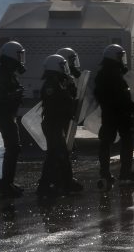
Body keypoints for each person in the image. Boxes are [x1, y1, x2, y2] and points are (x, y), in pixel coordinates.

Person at [95, 44, 134, 186]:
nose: (122, 60)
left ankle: (105, 173)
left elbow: (99, 95)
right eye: (120, 57)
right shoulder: (114, 75)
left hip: (109, 114)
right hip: (120, 114)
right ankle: (125, 172)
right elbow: (121, 97)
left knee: (106, 143)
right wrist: (133, 108)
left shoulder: (103, 74)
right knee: (126, 141)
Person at [37, 54, 83, 197]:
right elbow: (60, 103)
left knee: (60, 154)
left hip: (56, 123)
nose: (65, 69)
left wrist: (70, 86)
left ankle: (64, 182)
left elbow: (69, 97)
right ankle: (45, 185)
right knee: (56, 154)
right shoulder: (51, 84)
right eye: (63, 66)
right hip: (52, 124)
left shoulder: (58, 82)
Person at [0, 41, 26, 196]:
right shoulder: (0, 74)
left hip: (8, 113)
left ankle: (8, 182)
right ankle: (5, 185)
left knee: (13, 148)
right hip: (2, 114)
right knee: (13, 148)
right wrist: (14, 95)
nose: (20, 59)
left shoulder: (8, 73)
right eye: (18, 55)